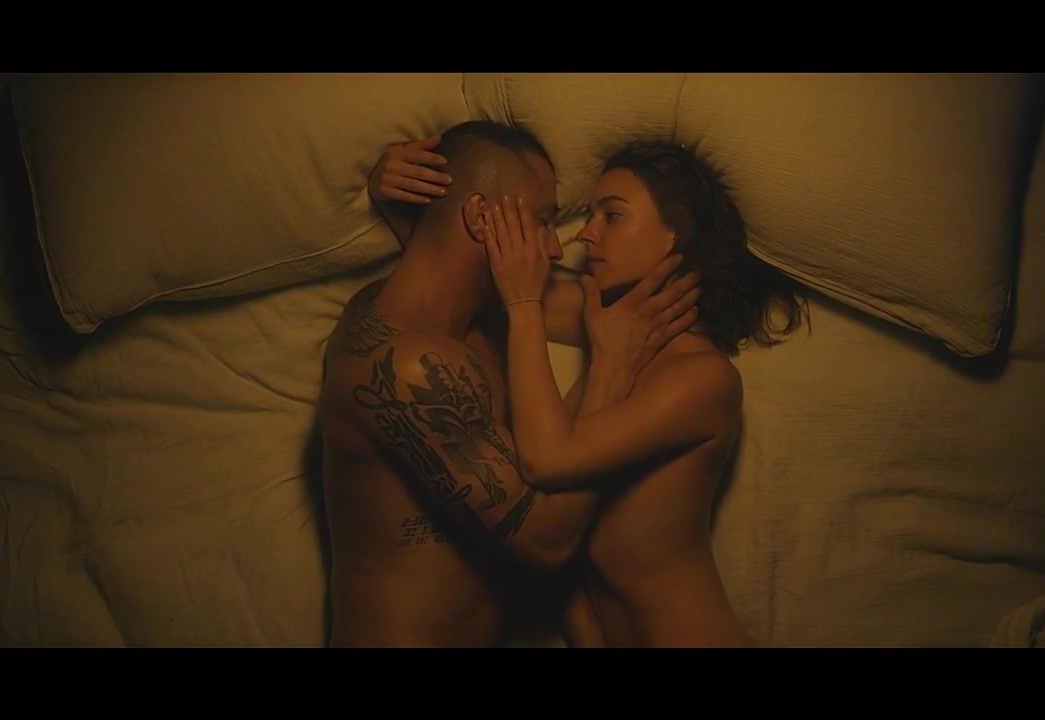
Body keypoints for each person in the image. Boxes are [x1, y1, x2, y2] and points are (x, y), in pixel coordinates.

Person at [371, 136, 806, 648]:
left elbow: (546, 461)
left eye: (612, 216)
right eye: (591, 214)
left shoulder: (700, 379)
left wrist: (526, 306)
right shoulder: (609, 332)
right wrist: (393, 201)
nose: (585, 234)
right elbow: (462, 279)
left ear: (676, 235)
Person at [317, 121, 698, 648]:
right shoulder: (406, 367)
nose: (556, 249)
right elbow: (547, 542)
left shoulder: (469, 326)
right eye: (543, 221)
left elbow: (440, 271)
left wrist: (404, 211)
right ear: (480, 218)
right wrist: (610, 368)